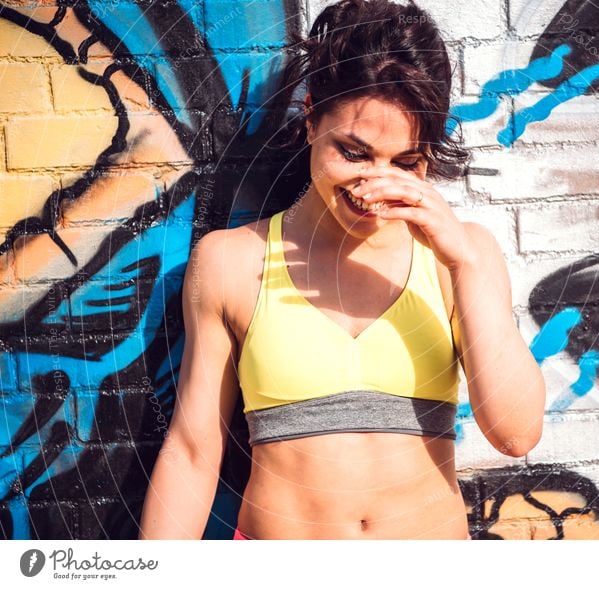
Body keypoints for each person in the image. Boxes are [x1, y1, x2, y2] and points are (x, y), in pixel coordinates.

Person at [138, 0, 545, 540]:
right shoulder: (231, 261)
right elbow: (193, 450)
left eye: (405, 164)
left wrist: (464, 263)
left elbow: (516, 435)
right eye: (354, 153)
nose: (375, 186)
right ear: (310, 118)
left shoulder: (464, 255)